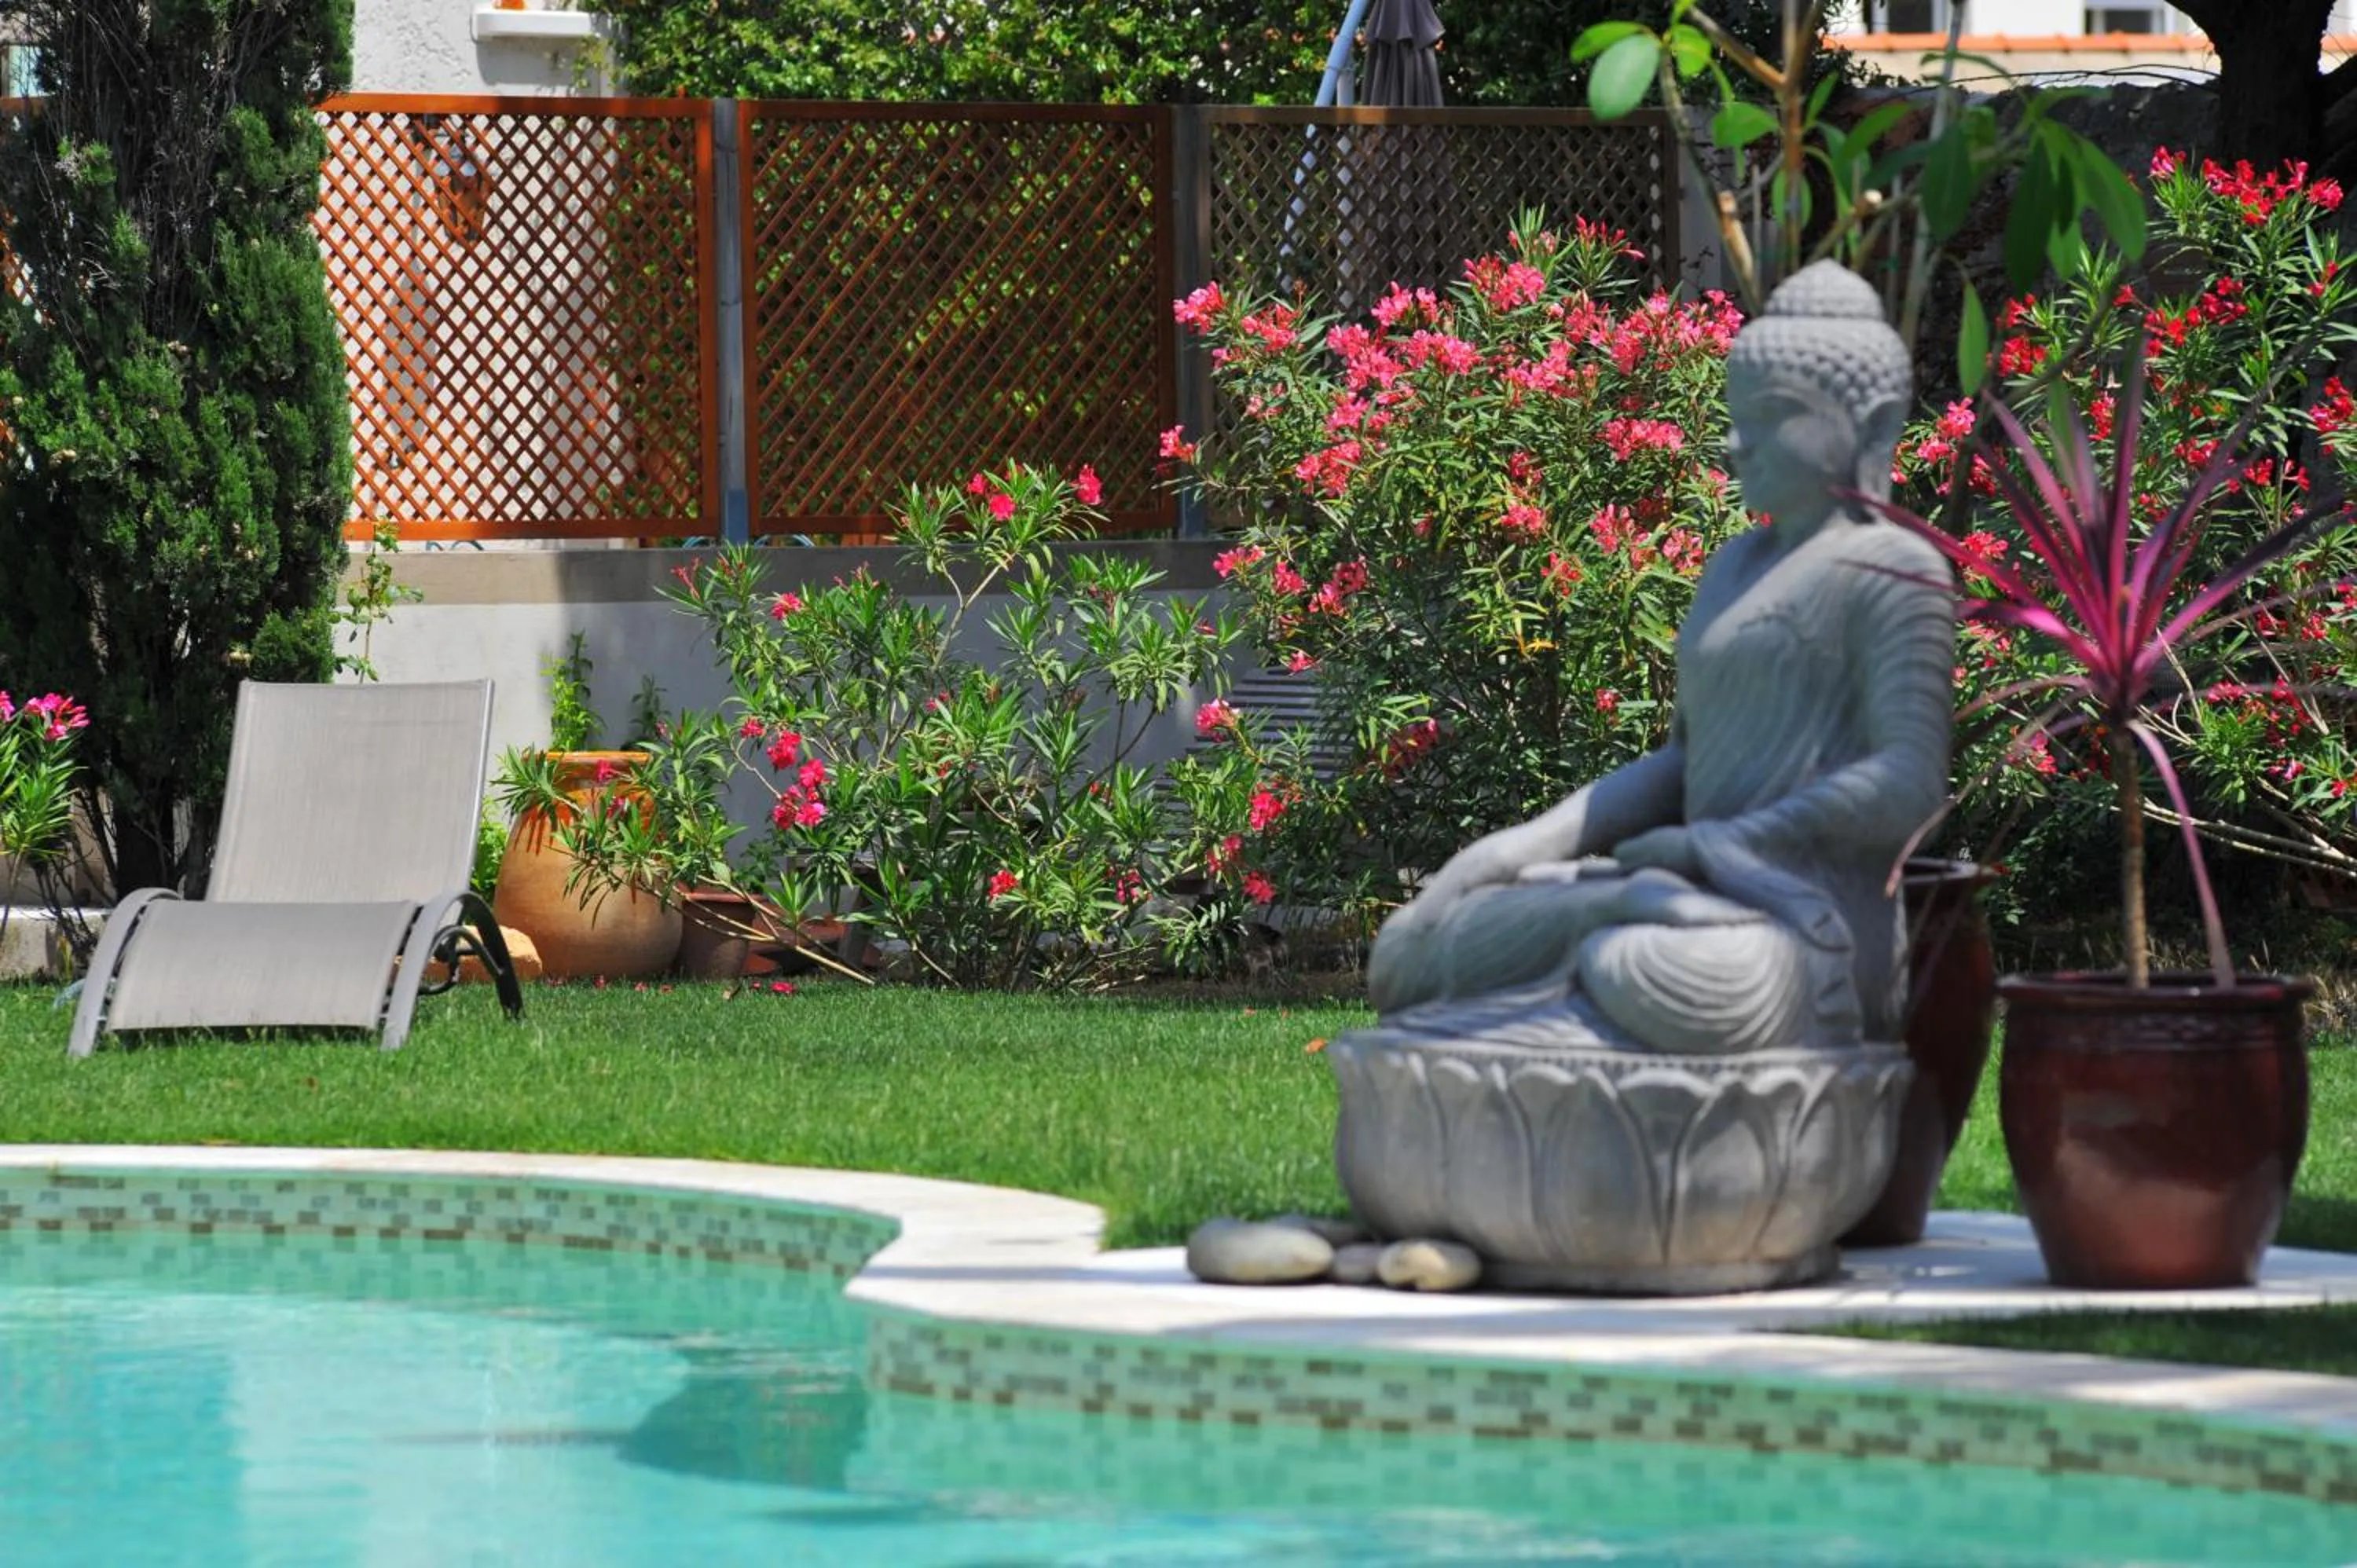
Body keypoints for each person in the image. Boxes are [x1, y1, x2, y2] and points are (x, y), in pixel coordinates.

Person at [1364, 261, 1954, 1057]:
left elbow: (1907, 784)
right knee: (1414, 942)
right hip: (1676, 891)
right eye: (1735, 416)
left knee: (1657, 958)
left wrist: (1712, 848)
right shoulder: (1731, 568)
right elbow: (1683, 765)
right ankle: (1568, 989)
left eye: (1773, 416)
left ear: (1871, 426)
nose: (1736, 444)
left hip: (1797, 927)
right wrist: (1519, 848)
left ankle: (1554, 1015)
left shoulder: (1895, 570)